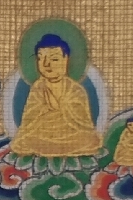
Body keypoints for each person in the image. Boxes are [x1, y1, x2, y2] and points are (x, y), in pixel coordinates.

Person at [9, 33, 105, 165]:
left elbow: (83, 123)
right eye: (41, 58)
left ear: (66, 60)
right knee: (23, 141)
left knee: (88, 139)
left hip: (71, 135)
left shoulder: (75, 89)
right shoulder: (38, 88)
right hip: (42, 134)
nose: (46, 64)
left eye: (54, 59)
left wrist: (63, 106)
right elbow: (29, 121)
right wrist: (45, 111)